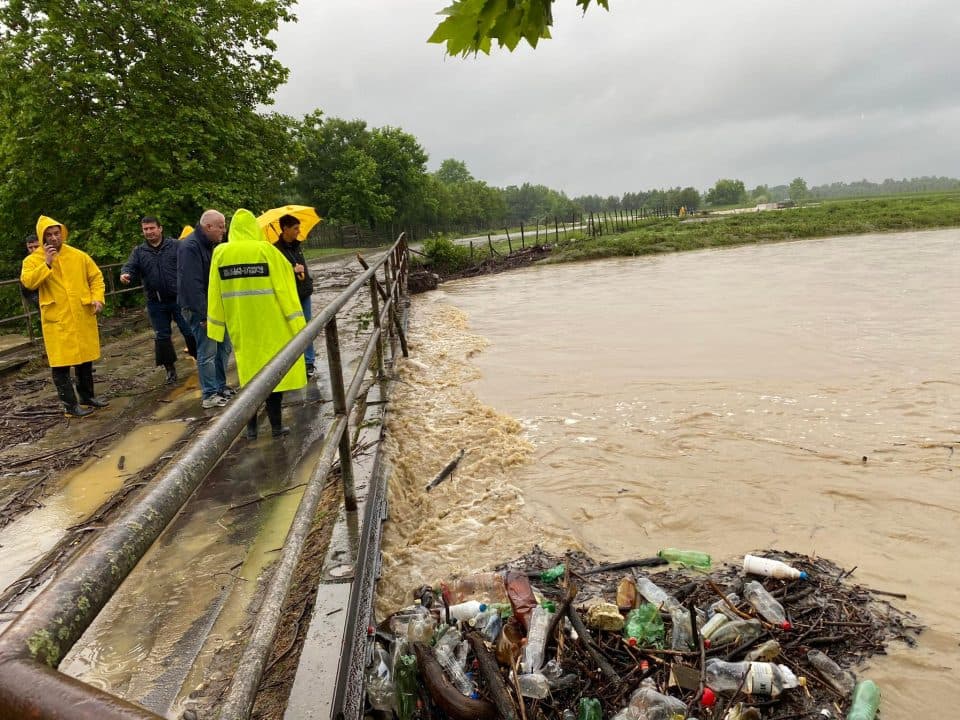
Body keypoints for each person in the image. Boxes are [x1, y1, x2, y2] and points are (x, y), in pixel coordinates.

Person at [207, 209, 307, 439]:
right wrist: (299, 325)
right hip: (271, 325)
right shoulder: (267, 251)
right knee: (271, 379)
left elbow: (214, 292)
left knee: (248, 378)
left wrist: (215, 326)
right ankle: (276, 427)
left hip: (241, 325)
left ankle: (250, 429)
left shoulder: (221, 253)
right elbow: (285, 289)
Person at [20, 216, 109, 417]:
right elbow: (28, 283)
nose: (53, 238)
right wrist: (47, 264)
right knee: (60, 364)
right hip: (57, 320)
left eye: (56, 233)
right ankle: (70, 406)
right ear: (43, 236)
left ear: (62, 233)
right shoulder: (32, 261)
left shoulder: (78, 256)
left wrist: (97, 299)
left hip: (81, 315)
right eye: (48, 234)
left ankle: (87, 396)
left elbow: (95, 277)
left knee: (85, 359)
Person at [120, 216, 197, 384]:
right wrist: (125, 274)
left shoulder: (176, 246)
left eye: (152, 228)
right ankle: (170, 370)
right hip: (156, 301)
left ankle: (198, 358)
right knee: (162, 337)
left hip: (178, 298)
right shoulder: (139, 252)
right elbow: (130, 267)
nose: (149, 232)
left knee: (189, 331)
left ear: (160, 229)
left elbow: (190, 261)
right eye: (145, 229)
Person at [178, 209, 234, 409]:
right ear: (208, 226)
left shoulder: (212, 245)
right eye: (221, 226)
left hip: (215, 307)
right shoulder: (190, 247)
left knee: (224, 347)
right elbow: (192, 285)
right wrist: (204, 315)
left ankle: (220, 386)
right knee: (208, 351)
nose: (224, 230)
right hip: (200, 309)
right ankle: (210, 394)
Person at [273, 214, 316, 376]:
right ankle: (295, 362)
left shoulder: (297, 246)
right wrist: (292, 271)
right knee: (292, 329)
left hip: (304, 292)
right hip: (289, 296)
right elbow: (276, 274)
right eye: (295, 228)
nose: (299, 231)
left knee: (307, 326)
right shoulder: (275, 250)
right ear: (285, 229)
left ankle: (309, 362)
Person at [19, 233, 40, 309]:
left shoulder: (49, 256)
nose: (33, 250)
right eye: (30, 247)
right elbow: (24, 284)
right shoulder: (27, 262)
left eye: (36, 246)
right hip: (36, 294)